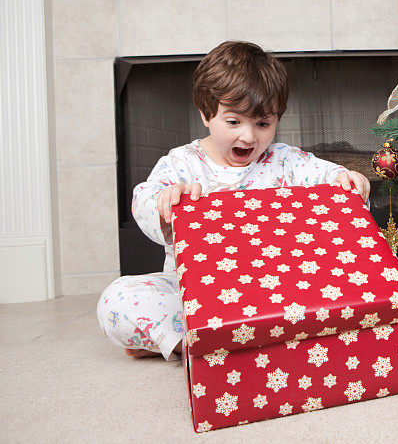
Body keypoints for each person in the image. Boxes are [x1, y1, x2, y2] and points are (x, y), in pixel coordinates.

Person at [96, 41, 371, 360]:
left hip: (274, 287)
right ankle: (186, 343)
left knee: (335, 292)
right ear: (205, 113)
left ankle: (226, 340)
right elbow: (143, 197)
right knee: (118, 299)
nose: (249, 136)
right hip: (195, 296)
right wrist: (163, 201)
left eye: (263, 123)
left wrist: (345, 178)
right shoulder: (182, 163)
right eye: (233, 122)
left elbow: (324, 174)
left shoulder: (283, 160)